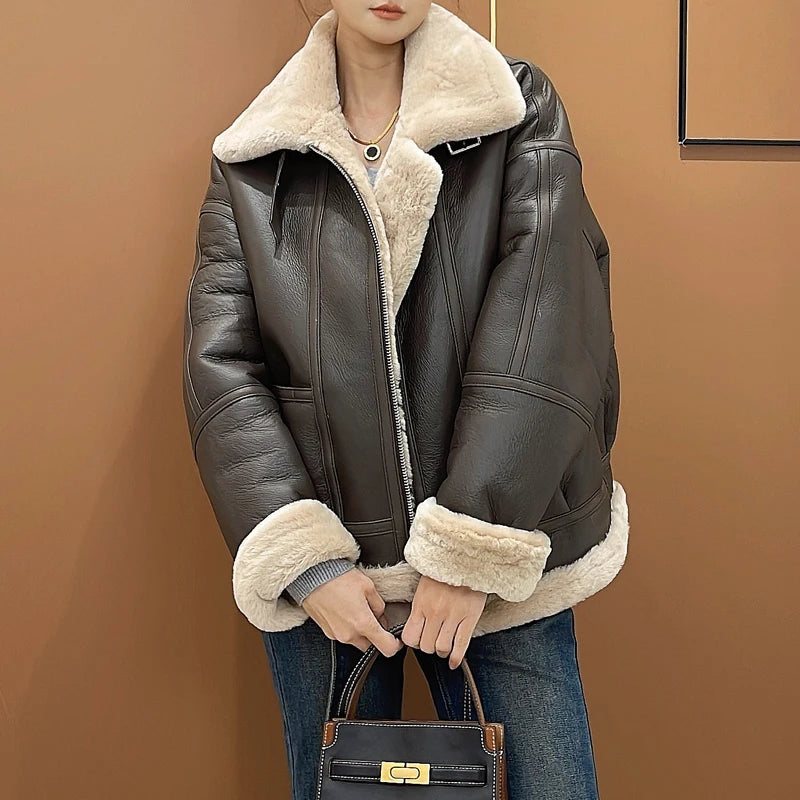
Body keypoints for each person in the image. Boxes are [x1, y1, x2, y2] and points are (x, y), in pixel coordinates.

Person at [182, 2, 630, 797]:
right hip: (335, 581)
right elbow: (221, 368)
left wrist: (471, 545)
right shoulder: (253, 155)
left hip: (496, 556)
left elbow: (549, 319)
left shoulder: (513, 108)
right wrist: (307, 561)